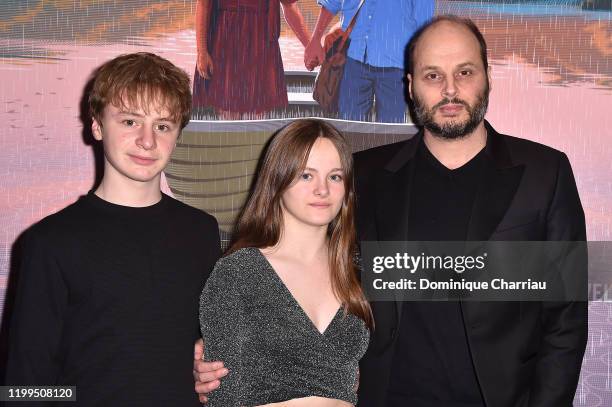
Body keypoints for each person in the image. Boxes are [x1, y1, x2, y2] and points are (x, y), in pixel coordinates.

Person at [195, 16, 587, 407]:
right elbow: (299, 270)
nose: (450, 89)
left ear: (487, 77)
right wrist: (227, 348)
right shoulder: (363, 177)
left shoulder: (544, 173)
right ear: (411, 85)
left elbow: (566, 322)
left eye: (464, 72)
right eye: (433, 76)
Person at [5, 52, 221, 406]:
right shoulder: (50, 243)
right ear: (97, 125)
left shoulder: (201, 232)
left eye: (163, 126)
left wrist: (208, 368)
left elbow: (207, 350)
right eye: (130, 122)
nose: (148, 141)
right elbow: (24, 386)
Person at [199, 119, 371, 406]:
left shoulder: (358, 269)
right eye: (306, 175)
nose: (322, 190)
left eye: (335, 177)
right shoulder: (238, 273)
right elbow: (223, 394)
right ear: (278, 180)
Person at [304, 0, 434, 123]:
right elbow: (331, 3)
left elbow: (424, 26)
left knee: (389, 136)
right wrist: (315, 40)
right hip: (353, 61)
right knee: (350, 129)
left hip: (395, 68)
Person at [193, 0, 311, 119]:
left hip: (261, 43)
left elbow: (289, 5)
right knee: (227, 111)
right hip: (225, 38)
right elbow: (203, 4)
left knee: (258, 112)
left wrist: (310, 46)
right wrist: (201, 51)